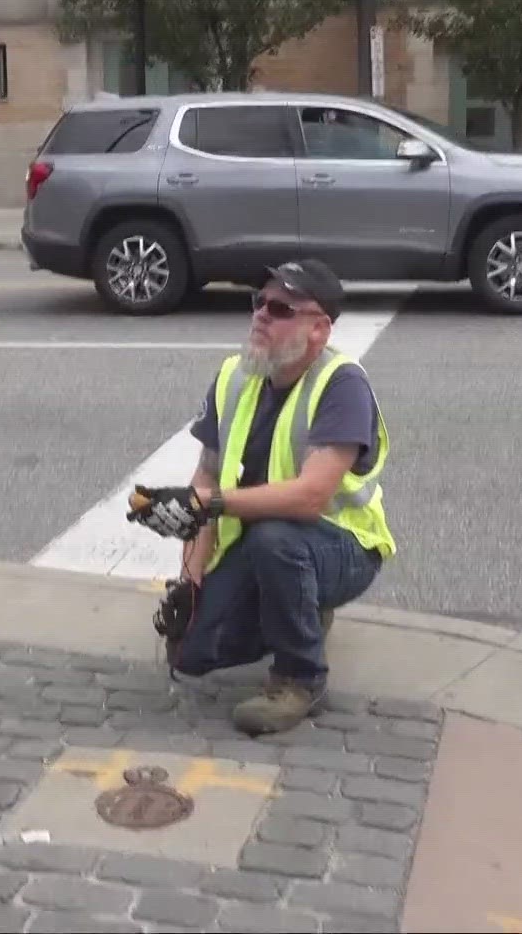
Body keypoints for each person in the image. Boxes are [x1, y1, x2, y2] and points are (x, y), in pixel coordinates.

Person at [126, 260, 394, 736]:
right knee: (193, 654)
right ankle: (298, 609)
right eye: (258, 303)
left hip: (344, 549)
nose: (261, 315)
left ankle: (300, 677)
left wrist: (208, 505)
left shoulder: (341, 384)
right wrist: (189, 581)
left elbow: (311, 498)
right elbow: (207, 477)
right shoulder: (236, 375)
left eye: (280, 308)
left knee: (278, 541)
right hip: (262, 542)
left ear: (319, 328)